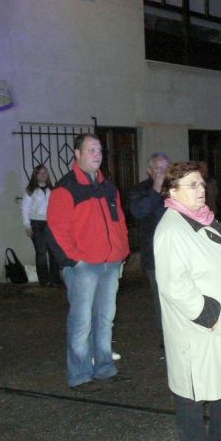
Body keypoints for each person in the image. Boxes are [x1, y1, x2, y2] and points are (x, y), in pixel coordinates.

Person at [153, 161, 221, 441]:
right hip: (199, 329)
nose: (201, 189)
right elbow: (174, 284)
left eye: (201, 183)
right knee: (191, 394)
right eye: (192, 185)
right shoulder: (171, 229)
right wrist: (206, 313)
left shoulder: (202, 220)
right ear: (172, 192)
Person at [47, 134, 130, 392]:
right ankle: (80, 375)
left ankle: (104, 368)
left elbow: (119, 223)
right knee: (82, 322)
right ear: (77, 154)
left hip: (109, 263)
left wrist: (121, 253)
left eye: (99, 150)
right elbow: (56, 230)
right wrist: (74, 260)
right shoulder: (66, 188)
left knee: (105, 319)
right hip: (84, 266)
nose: (97, 154)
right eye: (91, 149)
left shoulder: (108, 187)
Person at [129, 151, 170, 344]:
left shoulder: (176, 187)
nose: (163, 172)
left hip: (178, 252)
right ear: (149, 170)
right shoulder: (140, 190)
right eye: (159, 168)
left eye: (166, 168)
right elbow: (139, 212)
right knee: (161, 296)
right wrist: (155, 189)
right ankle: (166, 336)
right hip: (154, 255)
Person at [22, 164, 60, 286]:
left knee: (54, 251)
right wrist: (27, 225)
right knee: (41, 252)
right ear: (36, 175)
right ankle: (44, 280)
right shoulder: (30, 191)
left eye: (45, 172)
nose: (43, 175)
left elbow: (57, 208)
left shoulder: (52, 190)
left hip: (51, 223)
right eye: (40, 173)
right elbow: (25, 209)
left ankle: (55, 278)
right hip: (37, 224)